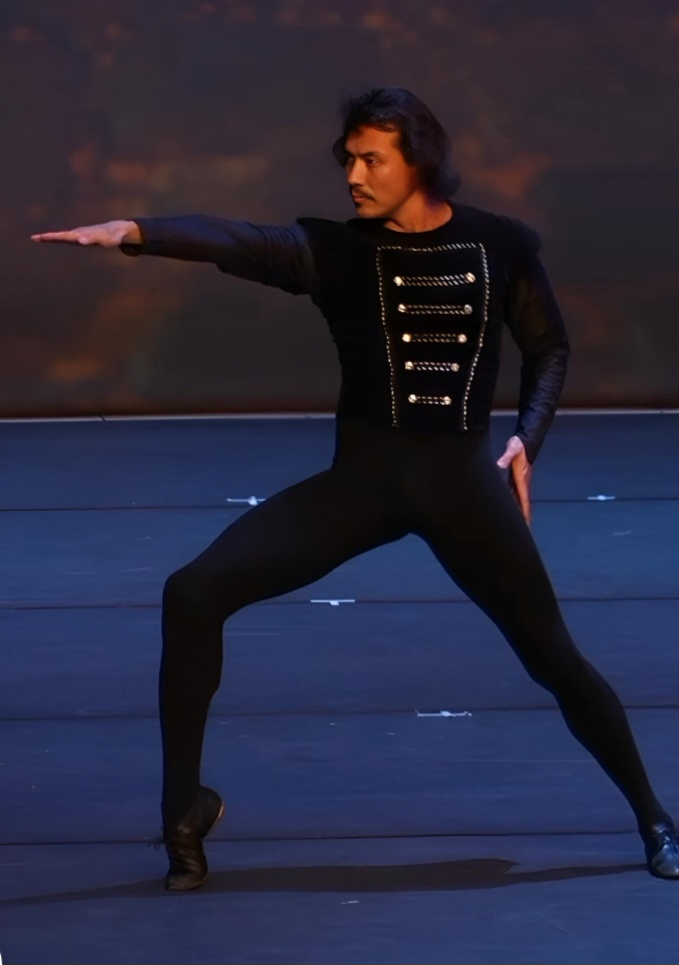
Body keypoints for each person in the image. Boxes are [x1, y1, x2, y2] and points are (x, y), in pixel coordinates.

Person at [33, 87, 679, 891]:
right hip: (363, 485)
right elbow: (237, 239)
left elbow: (548, 347)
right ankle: (183, 813)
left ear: (419, 161)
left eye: (372, 159)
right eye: (348, 159)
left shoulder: (498, 244)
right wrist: (137, 232)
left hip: (461, 490)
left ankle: (654, 816)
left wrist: (527, 439)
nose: (354, 174)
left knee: (554, 658)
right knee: (191, 592)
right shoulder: (336, 252)